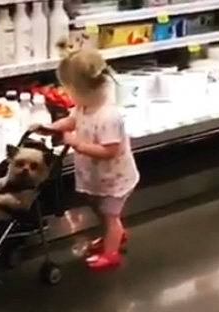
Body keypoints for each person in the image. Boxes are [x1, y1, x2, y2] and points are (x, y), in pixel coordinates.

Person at [34, 47, 140, 270]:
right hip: (97, 177)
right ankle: (114, 235)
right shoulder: (85, 106)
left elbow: (110, 151)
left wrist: (77, 144)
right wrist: (50, 128)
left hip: (115, 179)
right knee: (101, 211)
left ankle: (111, 253)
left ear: (80, 89)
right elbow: (72, 122)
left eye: (69, 90)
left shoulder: (109, 116)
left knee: (111, 216)